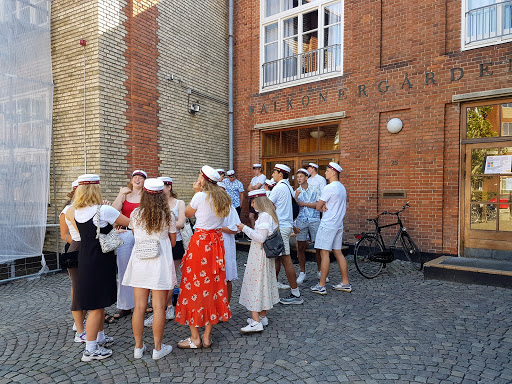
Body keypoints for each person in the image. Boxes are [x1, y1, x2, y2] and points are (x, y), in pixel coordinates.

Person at [71, 174, 130, 362]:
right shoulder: (103, 210)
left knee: (99, 302)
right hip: (100, 261)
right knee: (97, 306)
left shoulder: (76, 211)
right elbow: (130, 222)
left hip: (86, 259)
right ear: (95, 189)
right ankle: (90, 349)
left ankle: (100, 336)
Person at [175, 165, 231, 349]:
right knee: (213, 286)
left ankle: (195, 338)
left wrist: (197, 191)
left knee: (193, 286)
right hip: (216, 244)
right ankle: (207, 337)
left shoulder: (200, 196)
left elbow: (187, 214)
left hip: (201, 244)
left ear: (203, 179)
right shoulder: (223, 197)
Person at [122, 178, 178, 360]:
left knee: (139, 307)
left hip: (140, 261)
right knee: (159, 307)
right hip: (159, 262)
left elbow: (134, 234)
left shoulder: (136, 214)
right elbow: (173, 241)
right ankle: (157, 348)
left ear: (145, 194)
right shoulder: (167, 214)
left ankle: (138, 348)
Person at [144, 176, 186, 326]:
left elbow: (181, 222)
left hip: (174, 243)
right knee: (155, 279)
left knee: (170, 278)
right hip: (156, 245)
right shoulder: (156, 203)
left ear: (169, 187)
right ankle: (162, 308)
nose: (160, 190)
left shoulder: (179, 203)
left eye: (163, 187)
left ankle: (166, 307)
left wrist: (166, 222)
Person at [237, 189, 280, 333]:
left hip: (259, 255)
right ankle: (262, 316)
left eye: (253, 201)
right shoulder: (267, 214)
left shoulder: (264, 216)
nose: (252, 204)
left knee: (254, 285)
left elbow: (261, 238)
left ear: (259, 201)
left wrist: (245, 228)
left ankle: (256, 321)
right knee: (262, 284)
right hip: (263, 255)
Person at [112, 169, 147, 319]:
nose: (137, 179)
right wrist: (121, 194)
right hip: (125, 233)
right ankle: (125, 305)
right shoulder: (125, 195)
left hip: (142, 234)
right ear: (131, 179)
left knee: (143, 269)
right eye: (135, 177)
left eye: (141, 177)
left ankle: (143, 304)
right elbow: (113, 211)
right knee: (124, 270)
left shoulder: (147, 195)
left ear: (144, 181)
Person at [311, 162, 351, 295]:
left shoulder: (329, 187)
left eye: (327, 170)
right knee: (338, 252)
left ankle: (321, 285)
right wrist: (323, 205)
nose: (325, 173)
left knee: (324, 253)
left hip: (328, 224)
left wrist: (322, 206)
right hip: (338, 224)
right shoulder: (342, 188)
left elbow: (318, 206)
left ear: (333, 172)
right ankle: (345, 282)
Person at [269, 164, 303, 305]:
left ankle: (295, 294)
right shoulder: (289, 187)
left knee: (285, 258)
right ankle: (271, 287)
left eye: (274, 172)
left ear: (280, 174)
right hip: (285, 225)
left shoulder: (278, 187)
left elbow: (267, 206)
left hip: (281, 227)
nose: (272, 175)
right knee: (278, 258)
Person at [59, 180, 87, 342]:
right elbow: (64, 235)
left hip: (84, 247)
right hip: (75, 248)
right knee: (76, 287)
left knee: (84, 286)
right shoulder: (67, 210)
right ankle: (78, 323)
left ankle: (83, 319)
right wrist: (81, 244)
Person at [294, 168, 322, 285]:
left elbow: (319, 204)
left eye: (301, 176)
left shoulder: (315, 189)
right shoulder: (296, 191)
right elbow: (294, 207)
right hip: (301, 220)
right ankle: (302, 272)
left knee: (318, 247)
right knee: (300, 247)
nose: (299, 179)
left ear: (306, 178)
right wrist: (295, 198)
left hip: (314, 219)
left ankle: (320, 271)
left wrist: (304, 203)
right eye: (297, 177)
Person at [218, 183, 241, 303]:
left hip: (226, 245)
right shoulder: (208, 207)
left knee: (227, 277)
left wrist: (218, 227)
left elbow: (235, 229)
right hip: (212, 246)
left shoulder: (230, 208)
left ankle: (225, 306)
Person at [247, 163, 266, 228]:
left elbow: (257, 187)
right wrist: (253, 187)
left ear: (260, 169)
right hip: (252, 198)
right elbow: (248, 188)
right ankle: (253, 231)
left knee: (260, 216)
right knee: (251, 216)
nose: (254, 171)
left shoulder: (263, 177)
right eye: (254, 170)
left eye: (256, 170)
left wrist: (253, 187)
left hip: (259, 199)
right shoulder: (253, 178)